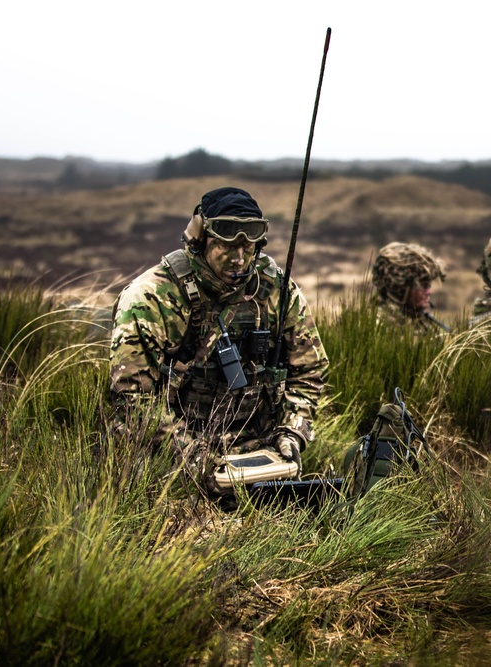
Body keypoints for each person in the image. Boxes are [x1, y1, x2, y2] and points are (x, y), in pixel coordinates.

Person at [109, 186, 329, 497]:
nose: (239, 259)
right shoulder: (151, 298)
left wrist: (291, 433)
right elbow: (133, 399)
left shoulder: (278, 292)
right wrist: (195, 458)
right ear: (200, 239)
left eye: (249, 247)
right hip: (169, 459)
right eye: (227, 247)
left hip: (259, 455)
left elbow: (310, 373)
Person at [371, 242, 449, 333]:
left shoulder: (421, 322)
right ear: (402, 288)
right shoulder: (378, 325)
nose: (429, 292)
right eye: (424, 286)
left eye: (429, 286)